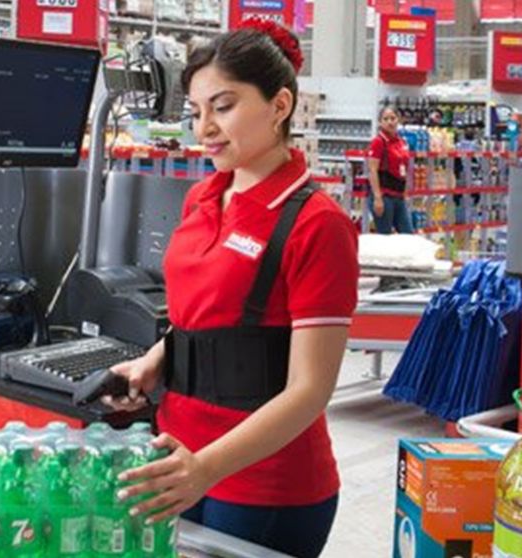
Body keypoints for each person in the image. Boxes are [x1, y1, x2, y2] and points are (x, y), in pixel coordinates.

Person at [103, 20, 359, 558]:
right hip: (175, 458)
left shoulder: (317, 224)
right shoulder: (202, 198)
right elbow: (203, 315)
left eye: (223, 106)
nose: (205, 128)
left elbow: (310, 389)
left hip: (266, 486)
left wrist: (206, 468)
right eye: (196, 111)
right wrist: (156, 358)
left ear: (280, 105)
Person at [368, 106, 414, 234]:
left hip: (399, 195)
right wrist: (377, 197)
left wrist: (405, 193)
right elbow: (372, 170)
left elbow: (405, 169)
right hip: (384, 195)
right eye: (386, 119)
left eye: (393, 118)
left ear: (398, 120)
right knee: (385, 236)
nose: (390, 122)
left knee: (408, 234)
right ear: (380, 122)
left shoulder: (402, 142)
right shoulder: (378, 142)